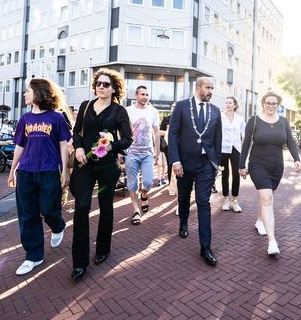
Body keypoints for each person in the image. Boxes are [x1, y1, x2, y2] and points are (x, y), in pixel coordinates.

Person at [70, 68, 133, 281]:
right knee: (81, 208)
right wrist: (78, 148)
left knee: (106, 206)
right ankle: (79, 261)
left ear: (114, 88)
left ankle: (103, 249)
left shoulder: (119, 111)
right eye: (98, 83)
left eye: (106, 84)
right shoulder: (85, 106)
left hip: (108, 167)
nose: (101, 87)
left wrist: (110, 144)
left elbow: (128, 139)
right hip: (85, 166)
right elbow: (76, 132)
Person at [8, 78, 71, 276]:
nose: (25, 94)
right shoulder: (25, 119)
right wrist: (12, 170)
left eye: (27, 91)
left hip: (49, 170)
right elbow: (19, 145)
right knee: (28, 215)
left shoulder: (57, 117)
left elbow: (63, 145)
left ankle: (58, 225)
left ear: (39, 93)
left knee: (49, 208)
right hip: (26, 172)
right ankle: (33, 256)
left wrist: (65, 170)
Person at [239, 91, 301, 255]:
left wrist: (297, 159)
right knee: (267, 198)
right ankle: (272, 241)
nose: (271, 106)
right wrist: (241, 165)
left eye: (274, 103)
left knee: (266, 197)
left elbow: (290, 141)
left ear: (278, 105)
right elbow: (246, 144)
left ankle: (260, 220)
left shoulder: (283, 121)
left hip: (276, 167)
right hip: (258, 165)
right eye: (268, 103)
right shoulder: (254, 121)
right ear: (263, 103)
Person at [168, 77, 222, 266]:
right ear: (198, 88)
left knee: (203, 203)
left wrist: (217, 164)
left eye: (212, 88)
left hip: (206, 164)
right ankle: (183, 222)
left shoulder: (215, 111)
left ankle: (205, 247)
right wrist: (175, 160)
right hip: (184, 163)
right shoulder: (182, 107)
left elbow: (218, 140)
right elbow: (173, 134)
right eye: (208, 88)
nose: (211, 91)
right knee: (183, 198)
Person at [125, 85, 160, 225]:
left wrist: (157, 151)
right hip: (131, 153)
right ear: (136, 95)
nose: (145, 97)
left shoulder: (153, 111)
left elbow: (156, 132)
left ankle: (144, 195)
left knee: (148, 182)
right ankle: (136, 211)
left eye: (147, 94)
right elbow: (123, 131)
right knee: (132, 184)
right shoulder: (128, 111)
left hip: (147, 154)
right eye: (142, 94)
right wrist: (122, 151)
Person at [221, 96, 245, 213]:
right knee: (224, 174)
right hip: (223, 148)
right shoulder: (220, 117)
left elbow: (244, 134)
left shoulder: (239, 119)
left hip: (236, 148)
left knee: (236, 174)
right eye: (226, 103)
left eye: (230, 103)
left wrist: (243, 149)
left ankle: (234, 200)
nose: (228, 105)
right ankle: (225, 200)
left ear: (235, 105)